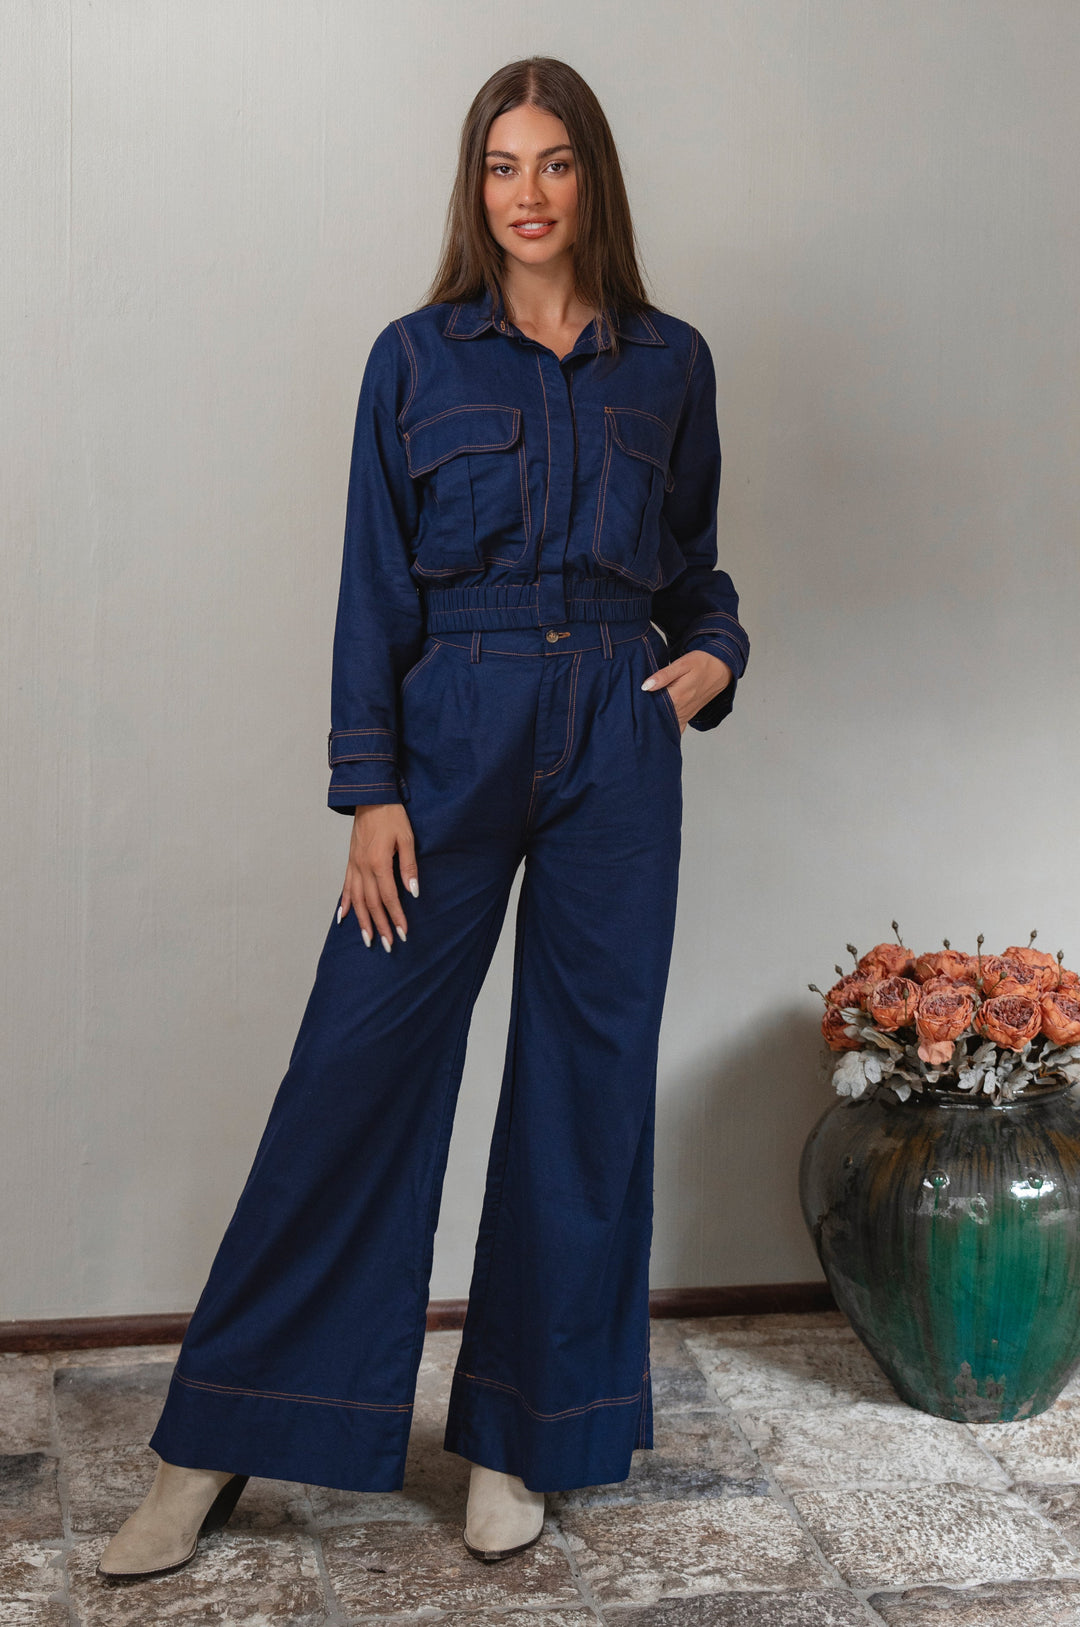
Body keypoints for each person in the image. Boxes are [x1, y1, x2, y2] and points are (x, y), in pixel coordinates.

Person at [97, 54, 748, 1583]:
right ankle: (216, 1440)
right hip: (449, 732)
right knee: (354, 1071)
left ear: (596, 178)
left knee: (585, 1086)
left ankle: (521, 1438)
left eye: (557, 163)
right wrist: (368, 789)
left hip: (612, 732)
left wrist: (711, 659)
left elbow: (695, 570)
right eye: (501, 167)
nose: (528, 194)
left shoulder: (672, 361)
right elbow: (370, 590)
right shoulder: (416, 358)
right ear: (474, 189)